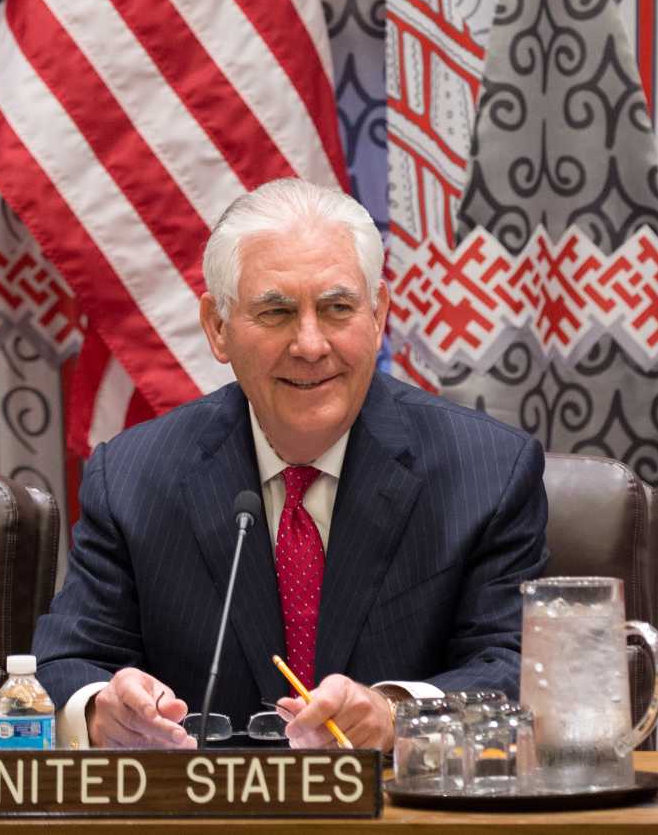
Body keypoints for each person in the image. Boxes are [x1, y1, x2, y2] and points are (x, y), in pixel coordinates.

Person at [32, 178, 548, 750]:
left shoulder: (486, 473)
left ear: (378, 317)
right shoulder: (132, 478)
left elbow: (517, 668)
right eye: (276, 312)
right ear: (218, 327)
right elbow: (66, 665)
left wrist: (397, 714)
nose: (309, 344)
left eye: (337, 308)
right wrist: (104, 711)